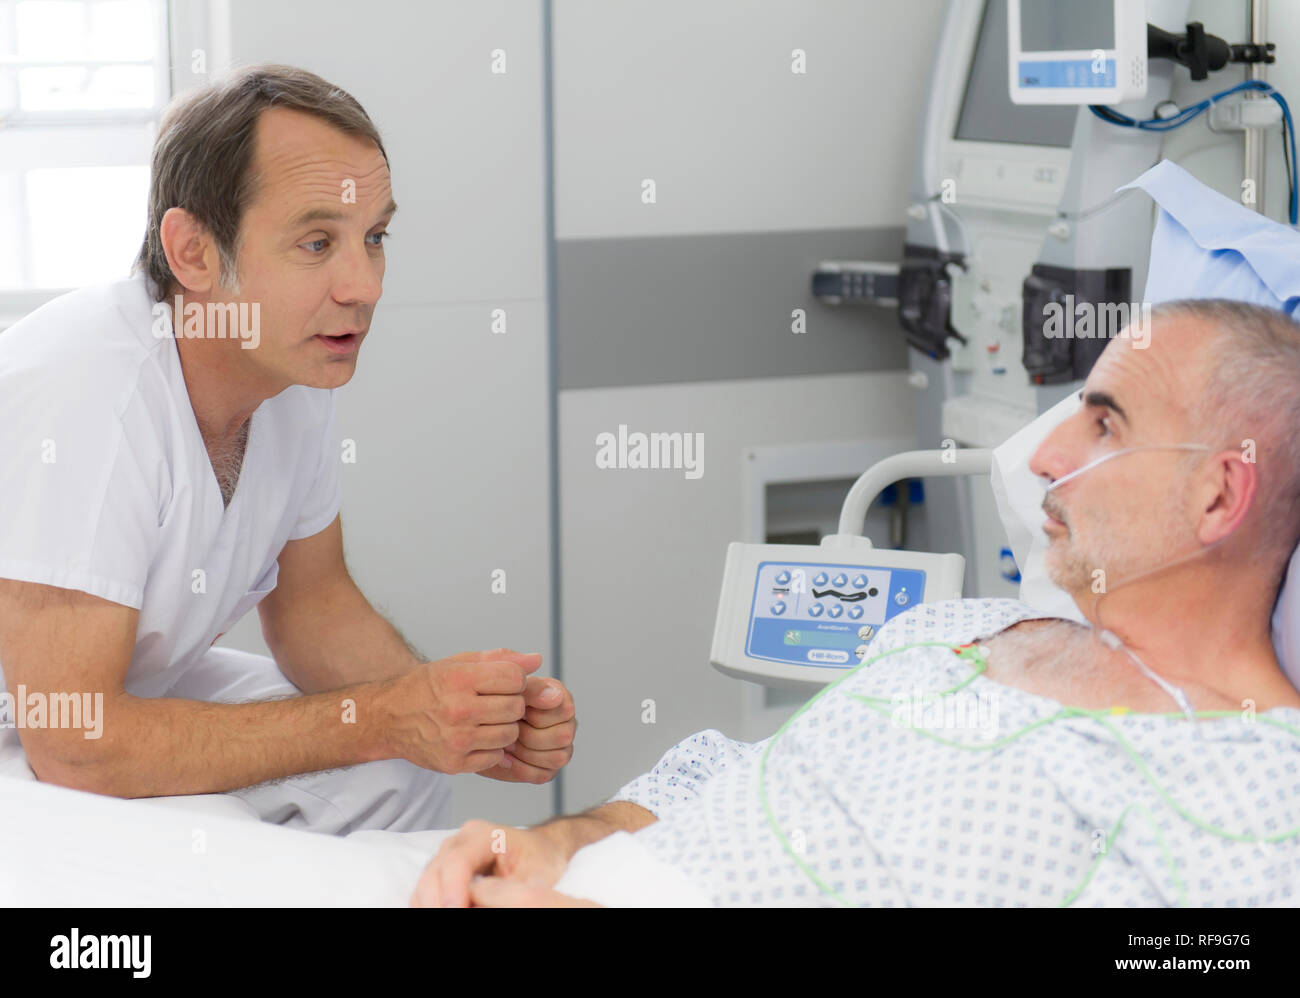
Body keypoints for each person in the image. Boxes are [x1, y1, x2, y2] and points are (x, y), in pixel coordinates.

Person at [414, 298, 1300, 905]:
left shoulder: (1257, 797)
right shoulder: (958, 630)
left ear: (1219, 497)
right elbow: (733, 776)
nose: (1043, 457)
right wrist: (564, 844)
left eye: (1105, 424)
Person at [0, 65, 575, 834]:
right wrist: (381, 717)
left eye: (374, 238)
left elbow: (314, 607)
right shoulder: (87, 395)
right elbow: (76, 747)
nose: (363, 285)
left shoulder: (289, 373)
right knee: (239, 825)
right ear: (194, 252)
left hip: (116, 694)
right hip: (42, 736)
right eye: (316, 242)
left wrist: (460, 715)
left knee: (395, 770)